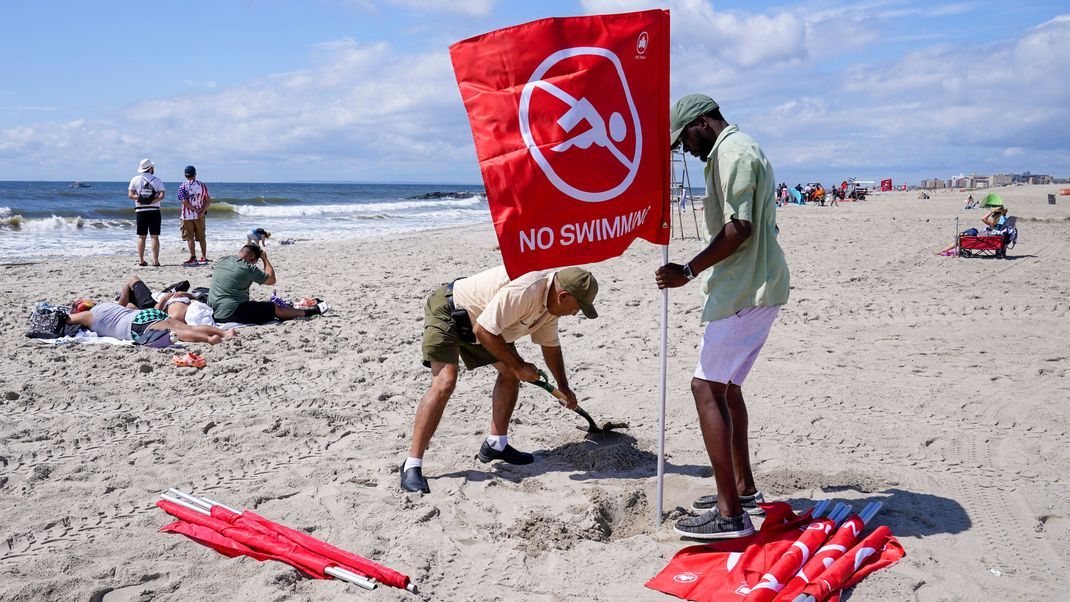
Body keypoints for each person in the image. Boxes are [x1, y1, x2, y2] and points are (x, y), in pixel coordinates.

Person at [656, 94, 790, 540]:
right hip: (754, 285)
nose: (685, 152)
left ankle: (730, 514)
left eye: (684, 141)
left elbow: (741, 226)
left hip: (745, 289)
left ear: (701, 122)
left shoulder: (733, 150)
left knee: (705, 388)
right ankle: (742, 489)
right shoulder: (733, 149)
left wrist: (688, 270)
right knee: (728, 389)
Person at [400, 266, 599, 494]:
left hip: (484, 325)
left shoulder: (551, 306)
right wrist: (519, 366)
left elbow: (550, 347)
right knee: (445, 382)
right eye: (577, 308)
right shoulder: (526, 290)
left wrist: (564, 386)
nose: (575, 314)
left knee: (510, 373)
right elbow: (483, 331)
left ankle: (496, 444)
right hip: (451, 310)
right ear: (563, 296)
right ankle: (411, 465)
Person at [208, 244, 329, 324]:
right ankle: (311, 312)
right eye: (256, 261)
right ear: (252, 259)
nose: (255, 264)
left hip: (213, 311)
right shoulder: (247, 267)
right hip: (230, 314)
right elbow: (271, 280)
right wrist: (265, 258)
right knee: (274, 307)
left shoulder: (222, 260)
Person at [66, 302, 235, 344]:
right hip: (145, 312)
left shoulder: (88, 316)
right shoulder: (105, 306)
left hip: (136, 324)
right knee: (186, 327)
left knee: (179, 334)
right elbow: (129, 304)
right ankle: (224, 333)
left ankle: (209, 340)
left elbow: (67, 320)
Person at [128, 159, 165, 267]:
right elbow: (162, 195)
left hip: (140, 211)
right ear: (150, 168)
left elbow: (130, 195)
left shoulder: (135, 179)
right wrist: (151, 201)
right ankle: (155, 261)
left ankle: (141, 260)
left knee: (141, 237)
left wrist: (142, 200)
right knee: (154, 237)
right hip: (154, 211)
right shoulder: (157, 180)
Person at [178, 165, 212, 266]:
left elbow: (185, 202)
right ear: (195, 174)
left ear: (185, 175)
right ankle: (204, 256)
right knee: (202, 237)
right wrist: (201, 211)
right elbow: (208, 201)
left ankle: (193, 257)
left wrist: (195, 210)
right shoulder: (202, 185)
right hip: (200, 216)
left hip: (187, 216)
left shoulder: (182, 186)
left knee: (190, 237)